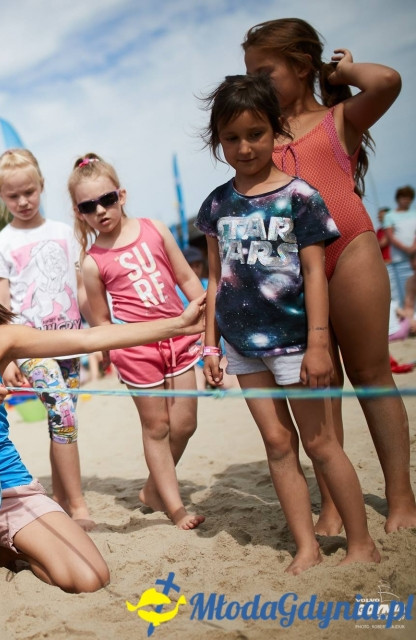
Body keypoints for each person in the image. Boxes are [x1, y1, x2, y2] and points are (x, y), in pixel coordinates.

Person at [0, 238, 206, 591]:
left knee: (91, 578)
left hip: (10, 489)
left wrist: (178, 325)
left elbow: (88, 340)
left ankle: (10, 543)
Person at [198, 74, 379, 573]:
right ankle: (306, 545)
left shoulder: (302, 197)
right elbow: (215, 280)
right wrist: (210, 348)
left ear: (276, 131)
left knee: (321, 443)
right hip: (240, 344)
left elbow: (318, 273)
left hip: (297, 343)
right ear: (218, 141)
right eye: (231, 137)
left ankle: (362, 541)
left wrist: (320, 343)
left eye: (255, 133)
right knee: (278, 444)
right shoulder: (215, 205)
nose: (244, 146)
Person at [243, 18, 416, 533]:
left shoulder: (340, 117)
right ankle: (335, 505)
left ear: (300, 66)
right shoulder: (260, 133)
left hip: (351, 250)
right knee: (322, 384)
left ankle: (402, 497)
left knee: (371, 376)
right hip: (290, 270)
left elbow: (386, 81)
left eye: (262, 70)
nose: (252, 79)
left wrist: (341, 70)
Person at [70, 153, 205, 530]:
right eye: (88, 206)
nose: (100, 210)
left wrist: (205, 318)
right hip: (136, 350)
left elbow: (187, 278)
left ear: (122, 195)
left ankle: (151, 489)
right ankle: (175, 508)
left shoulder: (155, 229)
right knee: (157, 427)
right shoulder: (93, 261)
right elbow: (100, 320)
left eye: (107, 199)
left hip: (181, 336)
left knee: (185, 423)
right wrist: (110, 353)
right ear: (80, 212)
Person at [0, 149, 95, 529]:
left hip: (69, 343)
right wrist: (10, 358)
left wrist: (97, 330)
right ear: (1, 196)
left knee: (62, 420)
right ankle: (78, 505)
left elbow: (80, 289)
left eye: (29, 192)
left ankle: (61, 496)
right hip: (31, 347)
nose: (23, 201)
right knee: (62, 410)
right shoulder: (0, 245)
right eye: (13, 196)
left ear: (42, 186)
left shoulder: (65, 233)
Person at [383, 186, 416, 307]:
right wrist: (406, 248)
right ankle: (408, 321)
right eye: (403, 197)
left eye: (409, 198)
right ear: (398, 199)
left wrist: (413, 247)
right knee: (404, 295)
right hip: (399, 261)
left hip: (415, 258)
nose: (406, 200)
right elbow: (390, 236)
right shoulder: (389, 216)